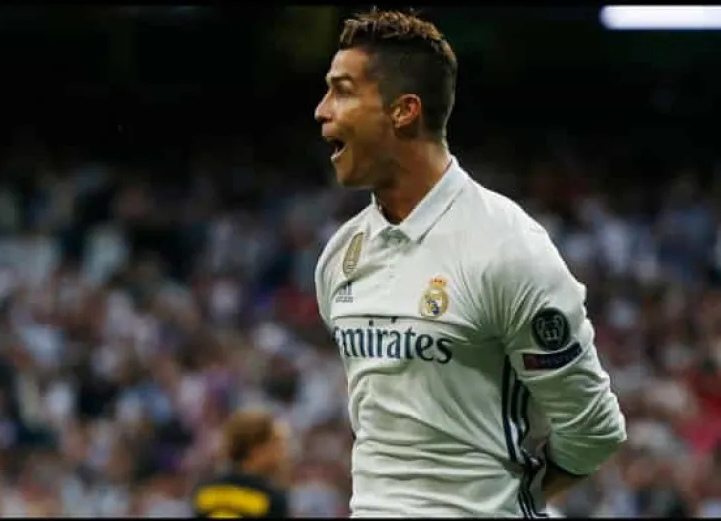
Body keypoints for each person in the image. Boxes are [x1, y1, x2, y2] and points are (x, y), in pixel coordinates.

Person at [313, 8, 627, 517]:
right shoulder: (340, 257)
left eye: (342, 91)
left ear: (403, 110)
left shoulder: (507, 248)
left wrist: (497, 504)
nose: (322, 110)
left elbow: (594, 431)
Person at [192, 410, 290, 518]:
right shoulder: (272, 499)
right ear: (256, 449)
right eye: (277, 444)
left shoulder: (203, 491)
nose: (282, 453)